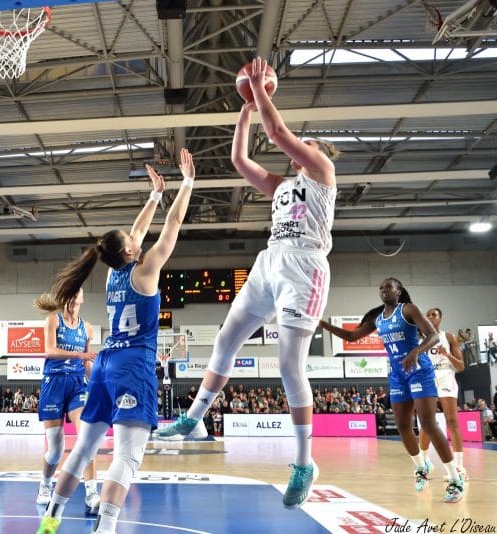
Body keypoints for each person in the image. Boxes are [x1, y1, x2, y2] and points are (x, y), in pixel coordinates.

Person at [153, 57, 338, 509]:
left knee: (289, 365)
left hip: (304, 267)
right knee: (226, 339)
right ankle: (194, 419)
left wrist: (259, 92)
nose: (300, 146)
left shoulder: (322, 173)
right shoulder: (281, 185)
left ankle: (303, 463)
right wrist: (247, 106)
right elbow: (239, 158)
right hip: (270, 260)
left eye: (307, 143)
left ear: (318, 151)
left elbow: (278, 136)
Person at [36, 147, 195, 534]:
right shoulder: (146, 271)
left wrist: (155, 196)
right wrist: (187, 185)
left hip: (105, 363)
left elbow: (137, 232)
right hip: (132, 365)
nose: (136, 238)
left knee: (85, 449)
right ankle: (106, 528)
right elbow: (171, 228)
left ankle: (51, 518)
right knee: (127, 455)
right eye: (132, 240)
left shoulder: (113, 274)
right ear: (128, 250)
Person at [318, 278, 465, 503]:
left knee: (428, 424)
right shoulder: (378, 319)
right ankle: (421, 467)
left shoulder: (409, 310)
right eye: (381, 288)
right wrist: (322, 324)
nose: (383, 290)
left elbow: (433, 336)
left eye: (388, 287)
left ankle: (455, 479)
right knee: (403, 426)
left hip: (419, 370)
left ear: (399, 291)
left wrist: (416, 351)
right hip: (398, 375)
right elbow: (350, 336)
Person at [33, 287, 100, 514]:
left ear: (82, 298)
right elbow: (50, 351)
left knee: (86, 439)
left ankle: (92, 493)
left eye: (76, 295)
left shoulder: (87, 328)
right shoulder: (53, 320)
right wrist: (79, 355)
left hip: (76, 385)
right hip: (53, 384)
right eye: (69, 295)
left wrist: (98, 382)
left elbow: (87, 363)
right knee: (55, 450)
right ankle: (45, 484)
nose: (73, 299)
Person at [418, 308, 466, 480]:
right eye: (428, 315)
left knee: (451, 421)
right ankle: (424, 465)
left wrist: (447, 355)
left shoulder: (449, 337)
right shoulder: (420, 339)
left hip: (446, 376)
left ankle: (459, 467)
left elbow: (461, 366)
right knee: (426, 423)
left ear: (440, 318)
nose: (430, 317)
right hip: (428, 378)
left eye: (433, 315)